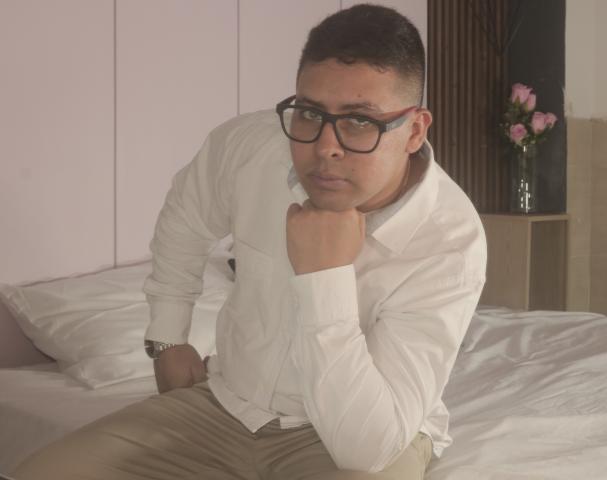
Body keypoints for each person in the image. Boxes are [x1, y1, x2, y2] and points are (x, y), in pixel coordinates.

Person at [12, 4, 486, 479]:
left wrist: (324, 277)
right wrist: (168, 336)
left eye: (360, 121)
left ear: (414, 130)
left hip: (351, 436)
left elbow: (365, 450)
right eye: (309, 113)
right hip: (224, 406)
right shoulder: (252, 149)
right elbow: (185, 219)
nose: (326, 146)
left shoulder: (449, 241)